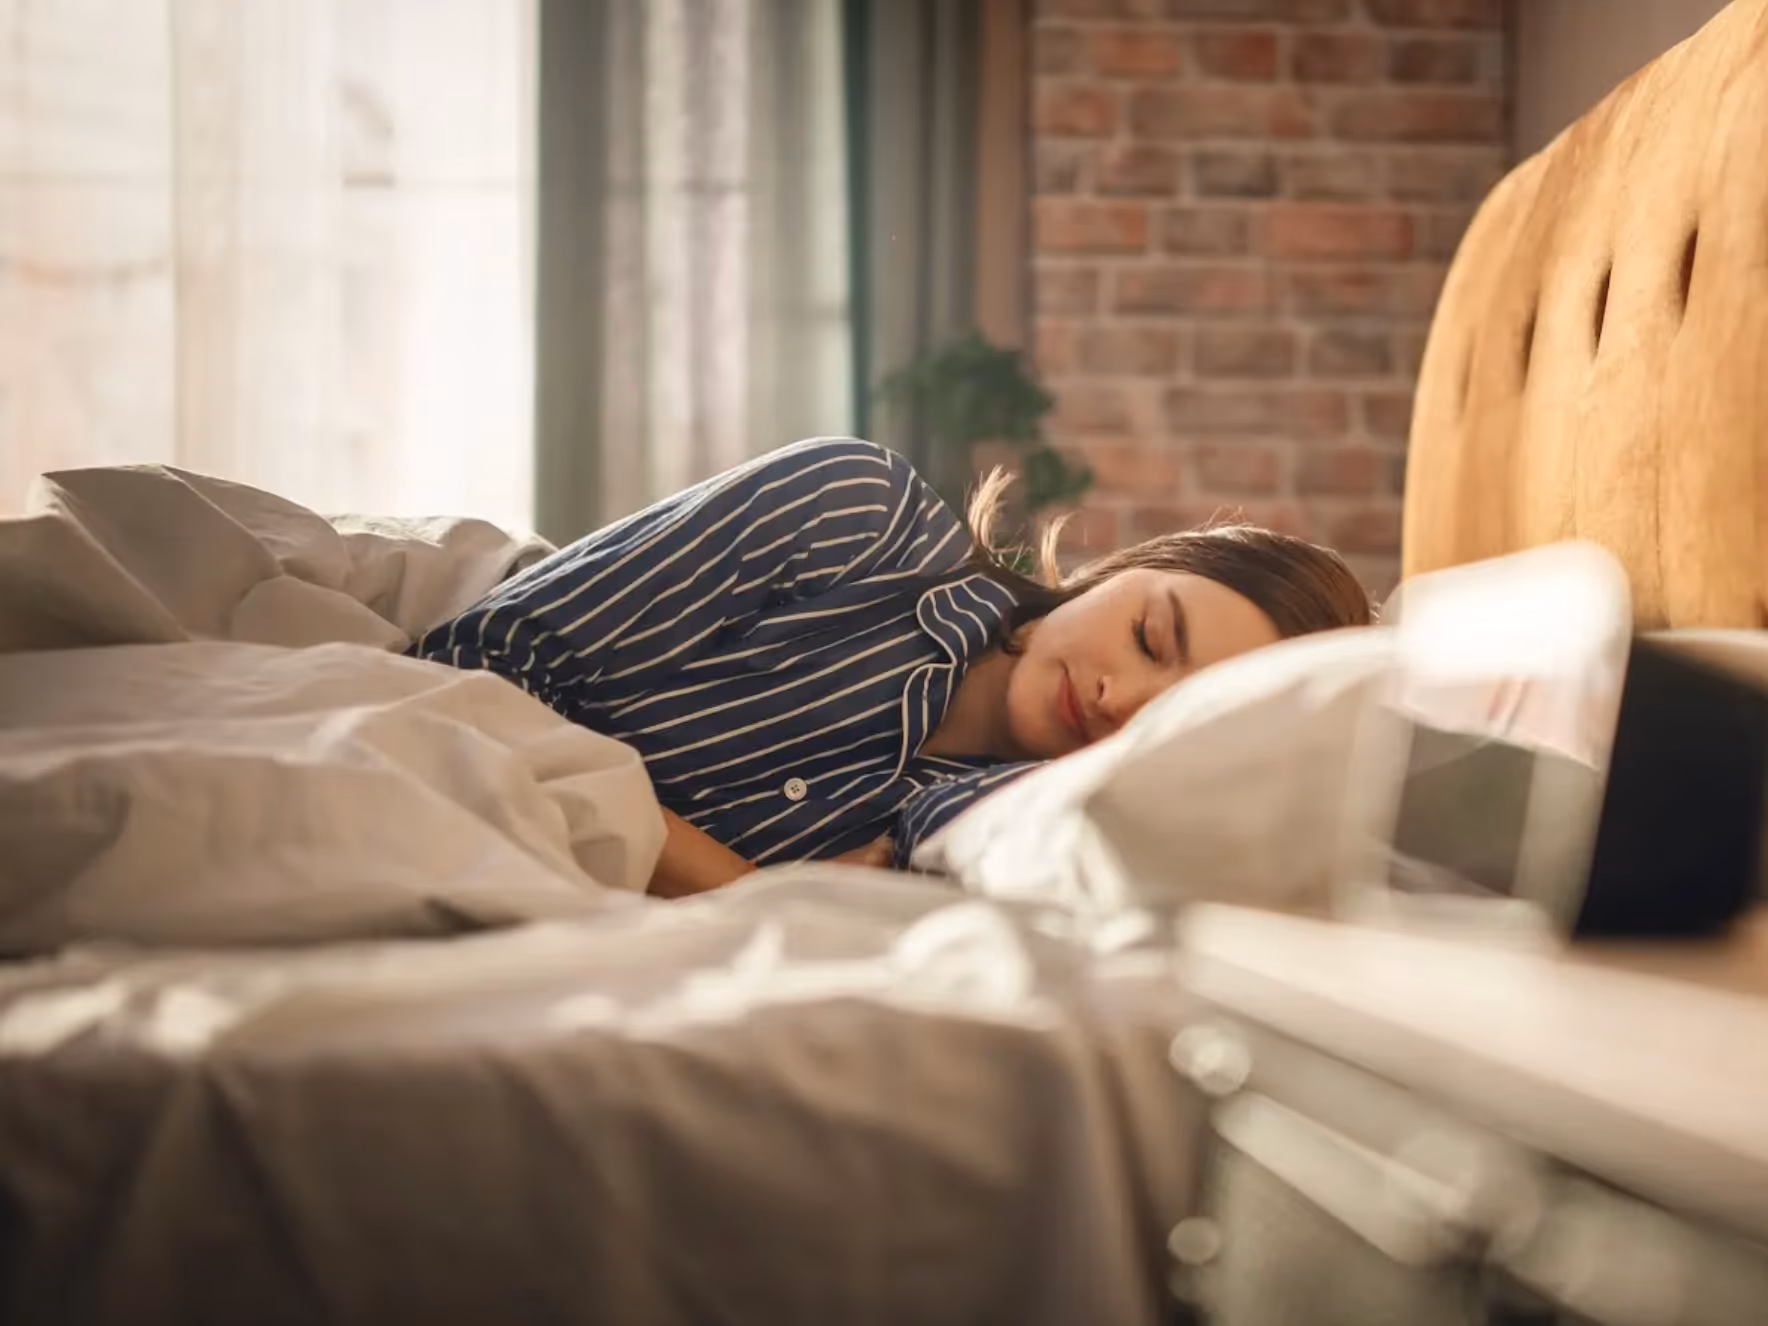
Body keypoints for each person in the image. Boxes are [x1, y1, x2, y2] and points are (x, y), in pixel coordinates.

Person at [411, 437, 1374, 896]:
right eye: (1150, 638)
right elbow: (481, 664)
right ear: (1116, 574)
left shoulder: (991, 831)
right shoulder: (855, 514)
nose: (1120, 699)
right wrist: (733, 883)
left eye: (1175, 719)